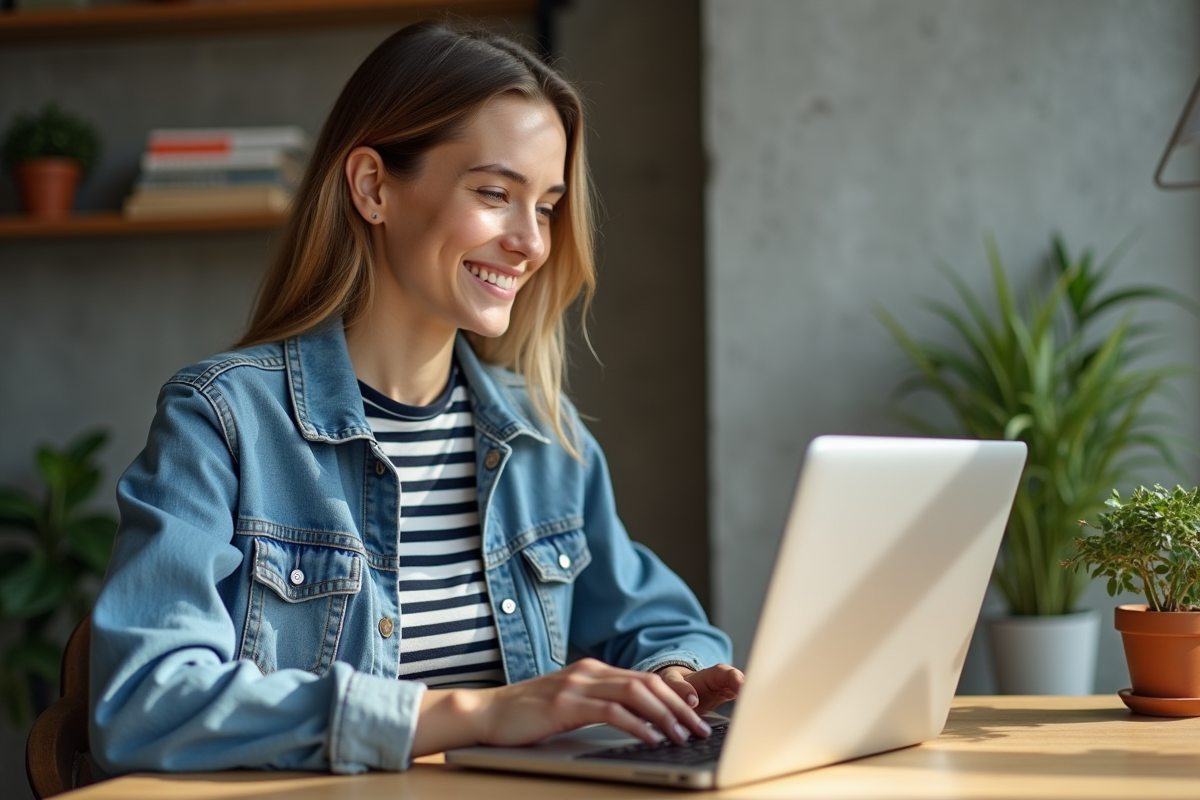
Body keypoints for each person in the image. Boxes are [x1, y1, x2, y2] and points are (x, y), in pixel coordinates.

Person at [90, 21, 742, 776]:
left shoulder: (544, 438)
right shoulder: (224, 422)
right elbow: (144, 703)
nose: (531, 242)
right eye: (496, 193)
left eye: (547, 206)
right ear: (373, 187)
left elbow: (662, 623)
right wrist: (479, 712)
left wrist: (668, 683)